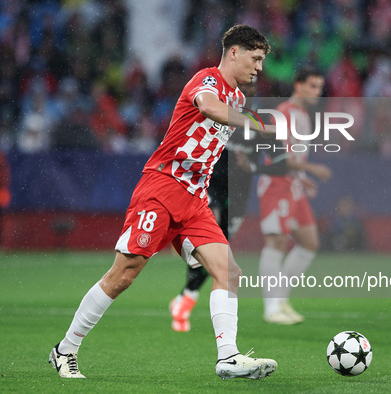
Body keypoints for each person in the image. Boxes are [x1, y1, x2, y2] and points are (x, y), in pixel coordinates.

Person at [49, 24, 278, 381]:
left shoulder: (238, 100)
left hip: (195, 199)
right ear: (234, 52)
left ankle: (229, 357)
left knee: (229, 273)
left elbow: (213, 138)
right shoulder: (207, 81)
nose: (260, 68)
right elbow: (208, 108)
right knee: (123, 275)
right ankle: (65, 350)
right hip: (162, 187)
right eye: (256, 58)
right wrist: (255, 124)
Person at [169, 79, 289, 332]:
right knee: (208, 242)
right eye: (241, 91)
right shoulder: (217, 116)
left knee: (220, 255)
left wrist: (254, 167)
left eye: (250, 91)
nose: (245, 95)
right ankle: (188, 286)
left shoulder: (261, 125)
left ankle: (187, 294)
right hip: (209, 189)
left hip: (238, 196)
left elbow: (282, 164)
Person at [257, 67, 331, 325]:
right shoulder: (284, 114)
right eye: (312, 86)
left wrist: (302, 178)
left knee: (310, 242)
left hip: (293, 185)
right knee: (276, 242)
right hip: (276, 186)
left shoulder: (303, 116)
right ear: (298, 85)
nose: (316, 92)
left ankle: (281, 299)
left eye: (319, 88)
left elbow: (294, 158)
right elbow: (280, 157)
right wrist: (312, 169)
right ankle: (271, 309)